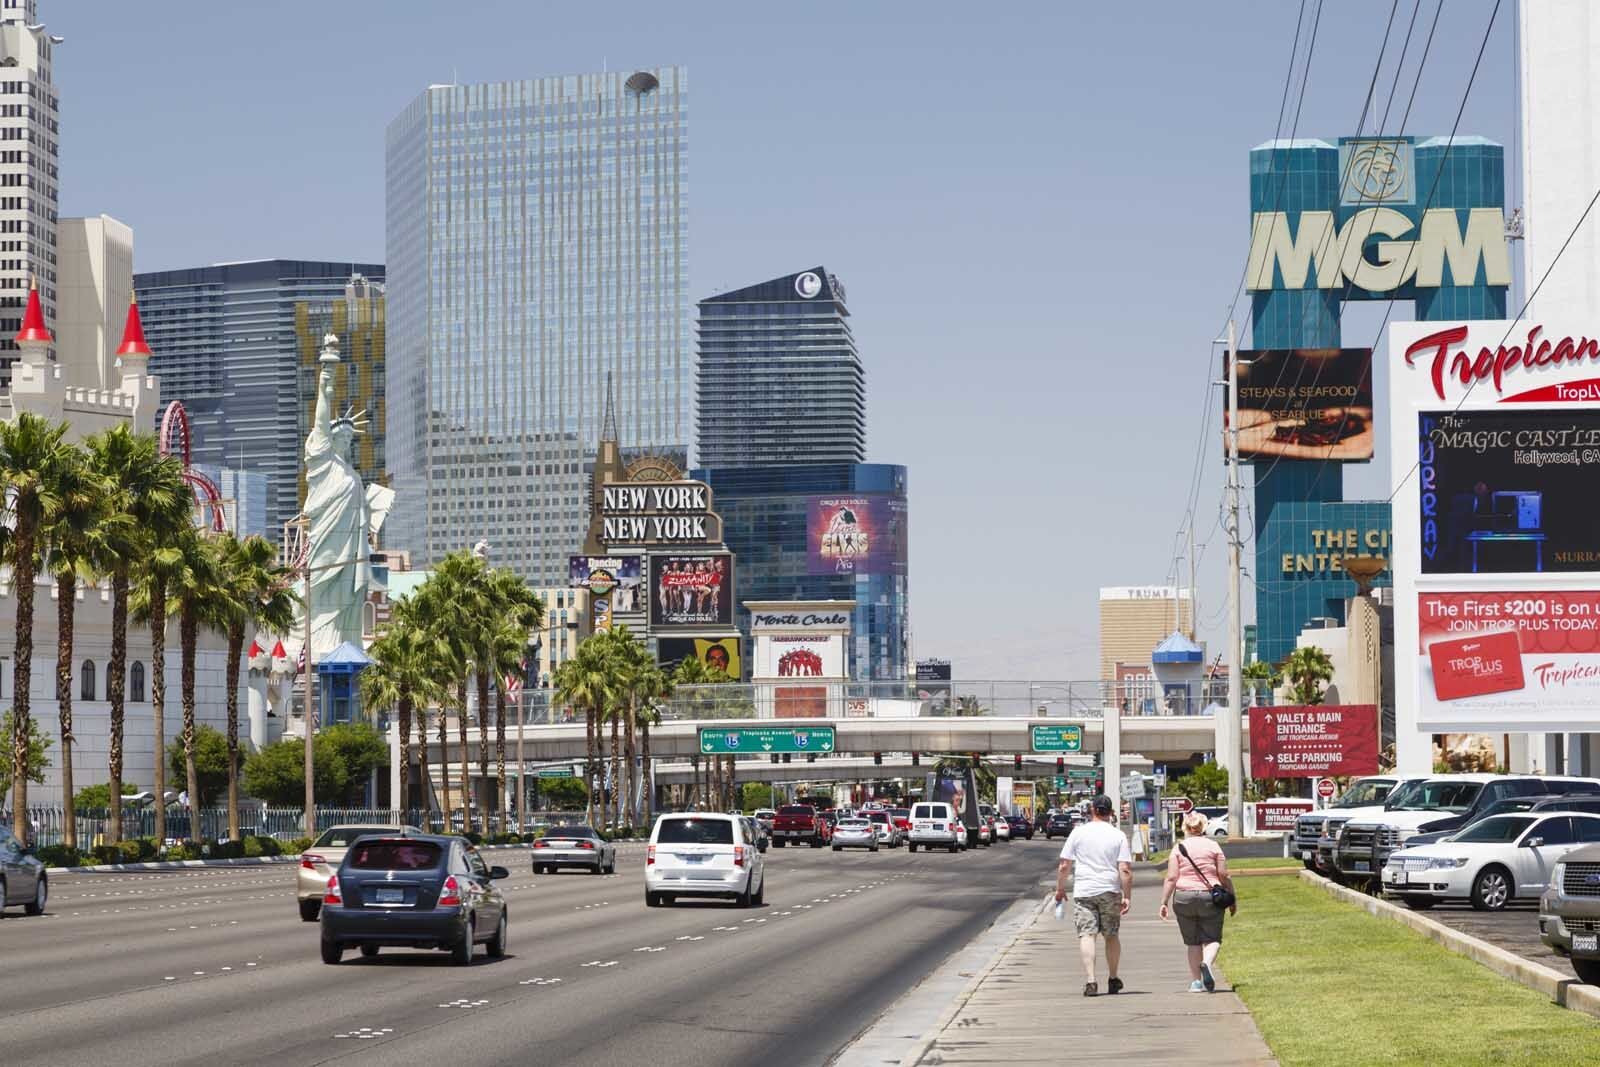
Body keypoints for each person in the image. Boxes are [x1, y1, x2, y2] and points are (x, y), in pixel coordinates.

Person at [1054, 794, 1133, 997]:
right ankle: (1113, 978)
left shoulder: (1078, 833)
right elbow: (1124, 869)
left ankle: (1091, 981)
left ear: (1092, 810)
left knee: (1087, 935)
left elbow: (1064, 865)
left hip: (1084, 892)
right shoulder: (1118, 835)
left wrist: (1060, 889)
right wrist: (1127, 896)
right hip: (1110, 890)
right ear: (1110, 812)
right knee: (1111, 935)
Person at [1159, 810, 1238, 992]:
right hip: (1209, 896)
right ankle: (1207, 963)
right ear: (1204, 827)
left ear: (1186, 827)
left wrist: (1164, 902)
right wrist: (1232, 897)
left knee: (1192, 941)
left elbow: (1171, 877)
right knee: (1212, 938)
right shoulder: (1213, 847)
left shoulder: (1178, 848)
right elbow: (1223, 875)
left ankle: (1196, 983)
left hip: (1183, 897)